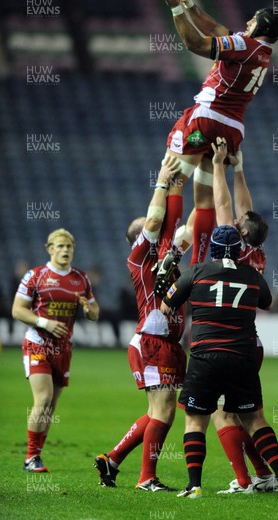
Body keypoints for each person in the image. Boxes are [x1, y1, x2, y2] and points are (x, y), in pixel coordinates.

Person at [160, 225, 278, 499]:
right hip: (242, 357)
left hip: (205, 358)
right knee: (254, 419)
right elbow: (267, 303)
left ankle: (194, 486)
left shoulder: (196, 272)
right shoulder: (252, 275)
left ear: (212, 248)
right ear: (240, 250)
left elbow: (166, 307)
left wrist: (166, 286)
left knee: (195, 421)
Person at [156, 0, 278, 267]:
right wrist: (190, 5)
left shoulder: (245, 46)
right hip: (232, 130)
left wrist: (176, 9)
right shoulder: (261, 52)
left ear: (262, 26)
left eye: (253, 20)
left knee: (174, 180)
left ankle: (162, 252)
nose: (248, 22)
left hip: (207, 117)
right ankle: (196, 260)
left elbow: (196, 44)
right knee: (205, 199)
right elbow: (216, 28)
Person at [94, 155, 187, 492]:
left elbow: (183, 227)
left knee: (158, 412)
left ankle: (113, 459)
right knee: (163, 411)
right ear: (138, 236)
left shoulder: (166, 258)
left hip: (168, 344)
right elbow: (156, 218)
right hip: (151, 341)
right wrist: (163, 182)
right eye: (149, 225)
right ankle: (146, 478)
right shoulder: (139, 257)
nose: (156, 226)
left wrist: (180, 184)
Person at [12, 228, 99, 472]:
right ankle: (29, 457)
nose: (65, 251)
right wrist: (44, 322)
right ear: (50, 249)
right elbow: (17, 310)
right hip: (37, 343)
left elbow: (95, 313)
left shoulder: (80, 279)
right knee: (44, 398)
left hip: (63, 349)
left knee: (51, 406)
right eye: (60, 246)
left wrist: (88, 310)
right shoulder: (36, 276)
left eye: (69, 247)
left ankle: (36, 456)